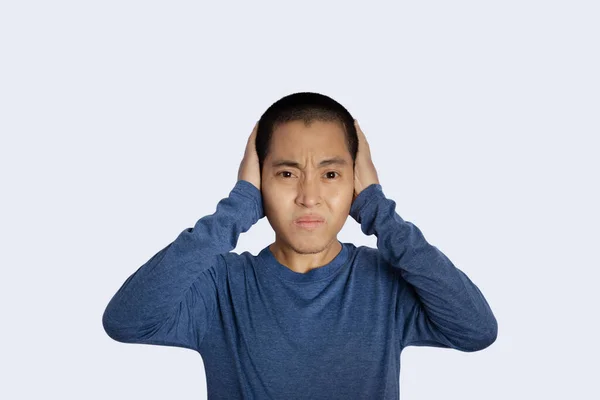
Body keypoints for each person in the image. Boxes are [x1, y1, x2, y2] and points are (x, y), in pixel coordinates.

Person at [102, 92, 498, 399]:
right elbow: (126, 321)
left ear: (356, 183)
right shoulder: (220, 285)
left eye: (330, 173)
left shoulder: (387, 282)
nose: (309, 196)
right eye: (287, 172)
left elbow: (476, 331)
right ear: (259, 183)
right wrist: (234, 211)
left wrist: (380, 212)